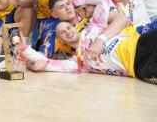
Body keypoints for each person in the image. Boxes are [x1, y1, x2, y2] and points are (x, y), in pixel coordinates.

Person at [21, 21, 157, 85]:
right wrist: (26, 51)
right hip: (138, 67)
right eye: (63, 32)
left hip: (142, 43)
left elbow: (119, 18)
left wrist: (101, 39)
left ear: (75, 27)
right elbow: (48, 64)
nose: (68, 31)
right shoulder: (78, 62)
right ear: (62, 41)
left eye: (69, 27)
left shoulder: (94, 27)